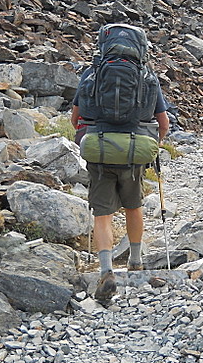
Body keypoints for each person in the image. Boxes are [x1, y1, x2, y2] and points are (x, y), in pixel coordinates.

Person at [70, 64, 170, 304]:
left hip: (100, 150)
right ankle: (135, 262)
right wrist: (152, 144)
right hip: (135, 151)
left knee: (103, 214)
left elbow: (75, 118)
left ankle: (106, 271)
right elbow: (163, 123)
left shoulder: (92, 73)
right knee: (133, 207)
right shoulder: (145, 75)